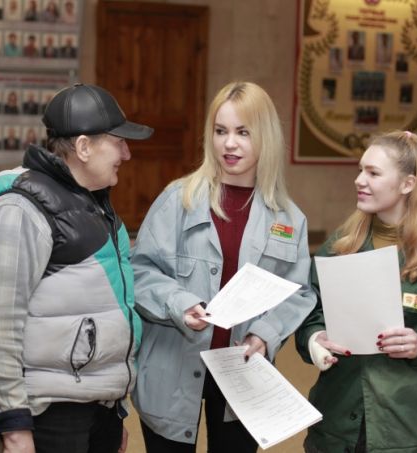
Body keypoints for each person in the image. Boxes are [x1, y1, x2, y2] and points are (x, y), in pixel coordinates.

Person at [131, 81, 316, 452]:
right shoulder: (177, 200)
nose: (229, 144)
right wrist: (179, 303)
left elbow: (298, 292)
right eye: (220, 131)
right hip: (173, 368)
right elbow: (140, 272)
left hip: (243, 374)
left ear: (265, 137)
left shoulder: (288, 218)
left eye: (243, 132)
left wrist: (265, 333)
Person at [0, 83, 153, 453]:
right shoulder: (20, 209)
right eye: (118, 142)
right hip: (48, 415)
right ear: (83, 147)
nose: (127, 153)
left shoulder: (96, 206)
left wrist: (114, 412)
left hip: (97, 408)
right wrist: (13, 424)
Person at [295, 130, 417, 453]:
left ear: (407, 184)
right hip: (337, 421)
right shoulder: (339, 248)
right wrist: (314, 338)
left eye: (373, 173)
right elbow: (310, 312)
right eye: (360, 170)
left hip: (407, 429)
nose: (359, 180)